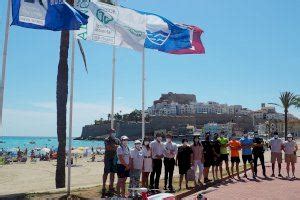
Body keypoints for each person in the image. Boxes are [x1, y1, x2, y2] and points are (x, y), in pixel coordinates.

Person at [102, 129, 120, 197]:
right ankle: (103, 187)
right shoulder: (106, 139)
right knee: (106, 172)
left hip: (114, 159)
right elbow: (108, 147)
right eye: (112, 132)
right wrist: (115, 146)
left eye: (114, 132)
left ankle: (111, 187)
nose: (113, 133)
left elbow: (119, 148)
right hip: (107, 158)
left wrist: (114, 146)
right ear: (109, 133)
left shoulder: (117, 140)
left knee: (113, 173)